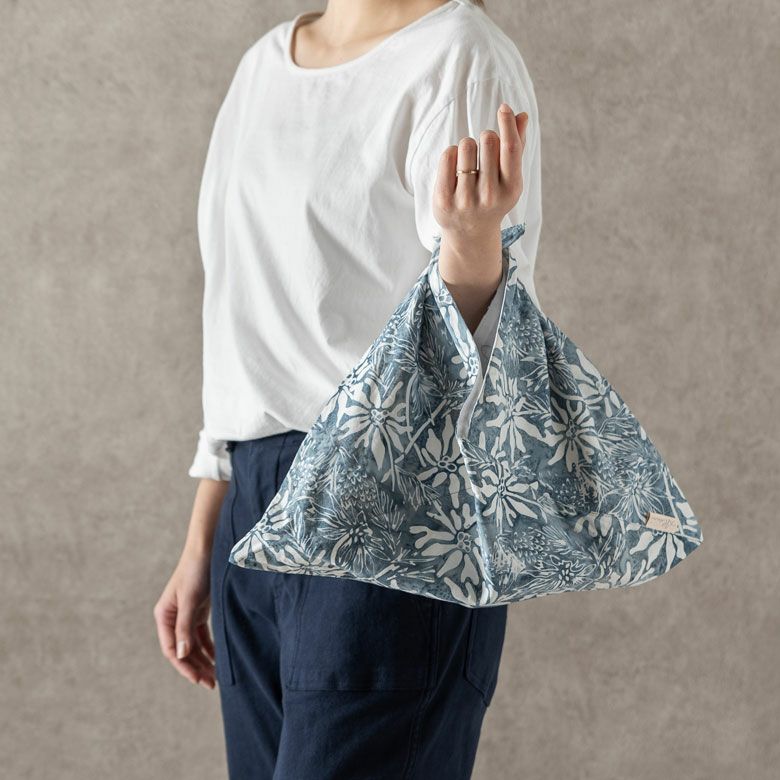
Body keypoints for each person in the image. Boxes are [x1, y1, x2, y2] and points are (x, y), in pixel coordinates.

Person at [154, 0, 542, 776]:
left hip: (390, 493)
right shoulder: (264, 66)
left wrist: (473, 243)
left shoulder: (458, 55)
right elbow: (237, 316)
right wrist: (204, 538)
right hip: (253, 511)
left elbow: (489, 346)